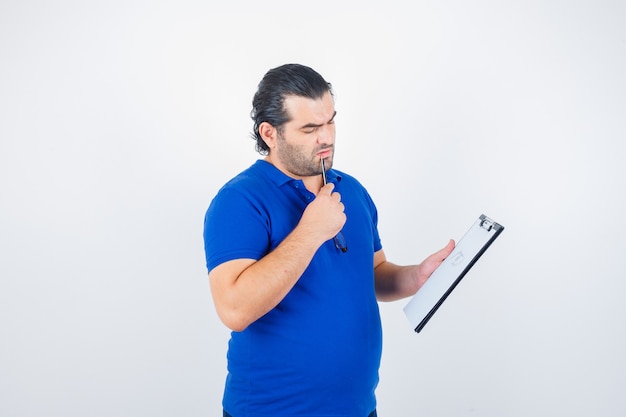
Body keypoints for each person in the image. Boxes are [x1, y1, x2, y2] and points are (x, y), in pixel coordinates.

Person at [203, 63, 455, 417]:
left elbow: (373, 272)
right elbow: (234, 310)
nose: (327, 137)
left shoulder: (350, 189)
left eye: (330, 121)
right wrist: (310, 232)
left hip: (357, 409)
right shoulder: (240, 200)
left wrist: (416, 277)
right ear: (270, 133)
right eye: (309, 128)